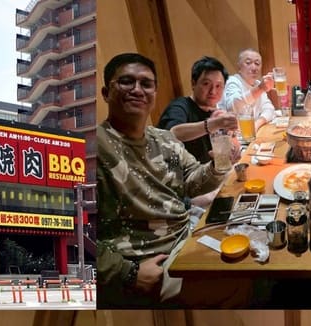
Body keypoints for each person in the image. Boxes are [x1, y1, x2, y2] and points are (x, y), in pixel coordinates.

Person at [98, 52, 240, 307]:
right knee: (241, 283)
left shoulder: (163, 140)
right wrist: (126, 272)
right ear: (106, 93)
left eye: (146, 84)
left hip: (188, 233)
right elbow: (72, 235)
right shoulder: (95, 147)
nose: (137, 90)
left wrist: (220, 164)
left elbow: (194, 181)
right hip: (149, 260)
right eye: (126, 82)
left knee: (250, 241)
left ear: (154, 94)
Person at [157, 56, 237, 164]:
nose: (213, 91)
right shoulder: (180, 106)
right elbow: (172, 134)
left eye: (218, 86)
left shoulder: (214, 111)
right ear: (193, 83)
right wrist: (215, 124)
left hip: (208, 174)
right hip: (182, 177)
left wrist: (231, 144)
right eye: (206, 84)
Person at [221, 48, 278, 131]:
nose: (254, 67)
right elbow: (233, 107)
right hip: (235, 137)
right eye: (248, 63)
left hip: (252, 134)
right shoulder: (233, 81)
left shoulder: (257, 83)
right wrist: (260, 89)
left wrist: (256, 124)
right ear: (239, 66)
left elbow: (269, 108)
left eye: (257, 63)